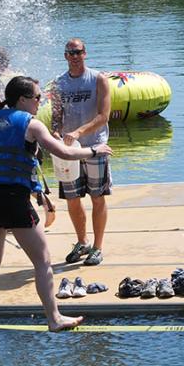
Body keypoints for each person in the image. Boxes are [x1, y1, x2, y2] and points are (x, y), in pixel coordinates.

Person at [0, 76, 111, 332]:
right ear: (22, 99)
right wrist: (94, 151)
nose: (40, 101)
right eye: (36, 97)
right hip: (15, 197)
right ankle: (54, 318)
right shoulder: (32, 125)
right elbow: (64, 152)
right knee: (43, 261)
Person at [49, 38, 112, 266]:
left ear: (85, 53)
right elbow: (56, 117)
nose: (74, 56)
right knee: (73, 199)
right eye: (70, 53)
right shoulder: (58, 84)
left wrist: (78, 132)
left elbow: (103, 116)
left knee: (97, 197)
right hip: (69, 150)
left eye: (78, 52)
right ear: (65, 56)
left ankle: (98, 246)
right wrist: (55, 133)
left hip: (94, 145)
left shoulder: (98, 79)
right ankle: (82, 241)